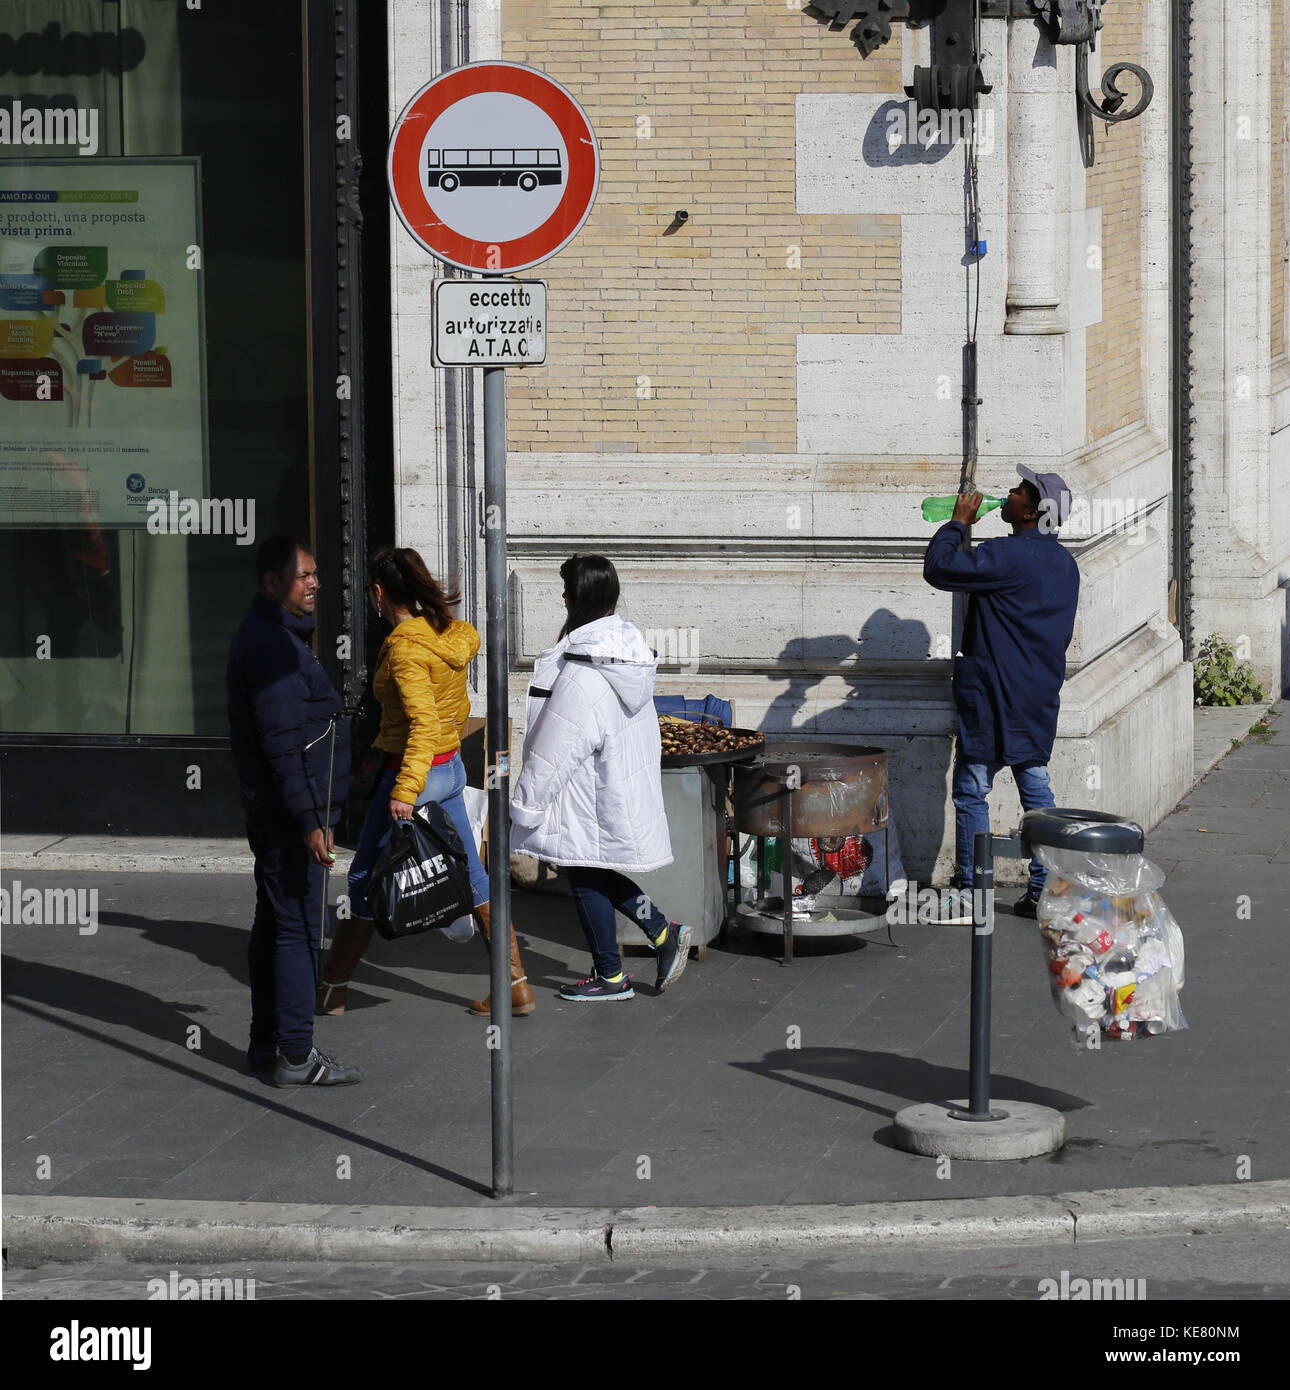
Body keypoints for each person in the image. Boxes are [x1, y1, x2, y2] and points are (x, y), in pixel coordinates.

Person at [317, 545, 534, 1017]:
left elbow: (423, 723)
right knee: (473, 877)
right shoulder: (449, 634)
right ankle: (515, 984)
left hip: (416, 772)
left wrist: (404, 791)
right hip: (450, 769)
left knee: (363, 879)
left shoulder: (405, 649)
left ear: (377, 594)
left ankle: (332, 987)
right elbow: (445, 716)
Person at [510, 553, 693, 1000]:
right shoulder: (625, 655)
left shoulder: (583, 673)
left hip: (582, 794)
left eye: (565, 591)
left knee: (585, 878)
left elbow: (554, 750)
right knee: (594, 876)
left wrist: (525, 806)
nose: (562, 597)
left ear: (576, 600)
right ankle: (660, 933)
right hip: (605, 787)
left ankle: (613, 973)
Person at [226, 535, 362, 1086]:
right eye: (303, 576)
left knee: (274, 920)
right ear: (271, 583)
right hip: (289, 816)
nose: (314, 584)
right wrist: (311, 821)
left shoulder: (276, 638)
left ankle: (266, 1045)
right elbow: (284, 746)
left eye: (315, 575)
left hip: (282, 810)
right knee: (296, 929)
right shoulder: (275, 650)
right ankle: (296, 1055)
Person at [923, 467, 1080, 922]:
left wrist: (957, 523)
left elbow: (940, 569)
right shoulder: (1064, 563)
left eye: (1017, 492)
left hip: (994, 695)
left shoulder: (1007, 555)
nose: (1007, 495)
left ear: (1031, 511)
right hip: (1036, 695)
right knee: (1034, 784)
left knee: (972, 788)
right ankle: (1043, 887)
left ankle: (974, 891)